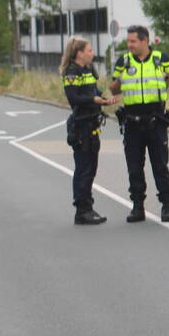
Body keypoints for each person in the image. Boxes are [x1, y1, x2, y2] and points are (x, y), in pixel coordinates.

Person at [110, 25, 169, 223]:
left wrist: (166, 76)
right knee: (134, 167)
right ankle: (137, 207)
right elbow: (113, 89)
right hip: (132, 122)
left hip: (155, 121)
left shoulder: (161, 59)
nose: (129, 45)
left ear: (145, 41)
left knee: (160, 166)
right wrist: (118, 81)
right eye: (128, 41)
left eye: (133, 41)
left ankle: (166, 206)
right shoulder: (123, 61)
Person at [60, 37, 118, 225]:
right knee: (83, 169)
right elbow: (74, 97)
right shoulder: (71, 71)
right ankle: (82, 210)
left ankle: (88, 207)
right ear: (79, 53)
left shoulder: (89, 70)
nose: (92, 53)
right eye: (90, 50)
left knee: (91, 169)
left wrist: (105, 99)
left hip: (92, 124)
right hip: (81, 125)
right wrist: (94, 100)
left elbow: (93, 91)